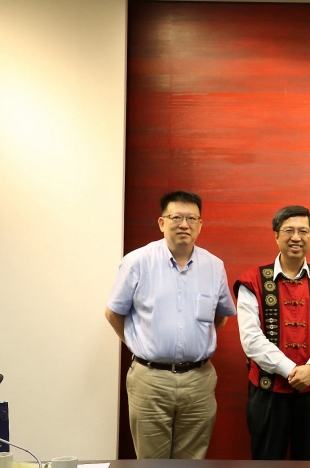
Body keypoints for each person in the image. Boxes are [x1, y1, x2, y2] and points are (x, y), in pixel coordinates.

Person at [105, 190, 236, 459]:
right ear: (162, 222)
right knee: (152, 462)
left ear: (200, 224)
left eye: (191, 218)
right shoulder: (137, 262)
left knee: (192, 460)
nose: (184, 224)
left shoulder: (214, 266)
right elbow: (113, 313)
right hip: (151, 380)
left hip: (199, 381)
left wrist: (198, 344)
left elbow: (221, 315)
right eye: (176, 217)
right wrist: (138, 344)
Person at [236, 205, 310, 460]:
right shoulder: (252, 281)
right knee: (266, 459)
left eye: (303, 231)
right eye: (289, 230)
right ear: (276, 235)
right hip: (268, 392)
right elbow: (251, 339)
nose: (296, 237)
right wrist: (290, 370)